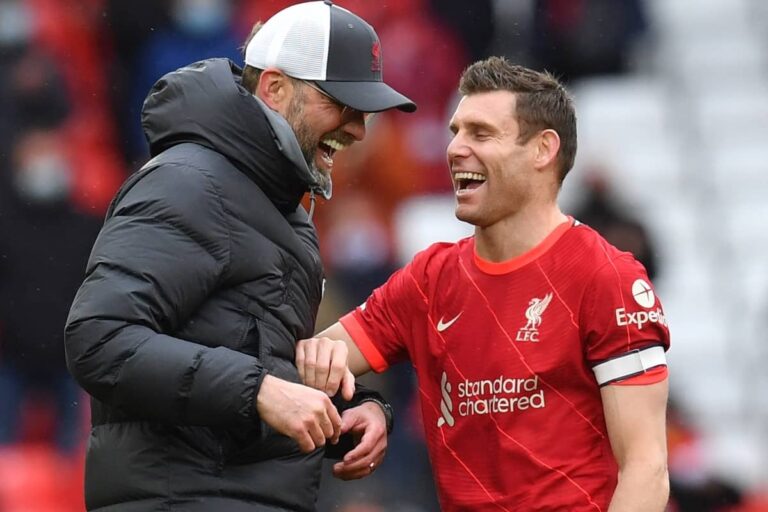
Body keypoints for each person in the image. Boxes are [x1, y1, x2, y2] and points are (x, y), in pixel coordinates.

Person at [64, 2, 415, 511]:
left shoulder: (280, 208)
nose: (359, 129)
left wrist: (353, 409)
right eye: (342, 103)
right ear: (274, 89)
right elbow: (98, 339)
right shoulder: (188, 182)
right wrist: (260, 391)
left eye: (364, 112)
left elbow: (250, 372)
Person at [296, 56, 671, 511]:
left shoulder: (605, 278)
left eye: (481, 133)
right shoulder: (429, 280)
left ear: (543, 150)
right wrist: (377, 407)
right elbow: (311, 363)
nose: (455, 149)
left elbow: (646, 469)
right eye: (455, 132)